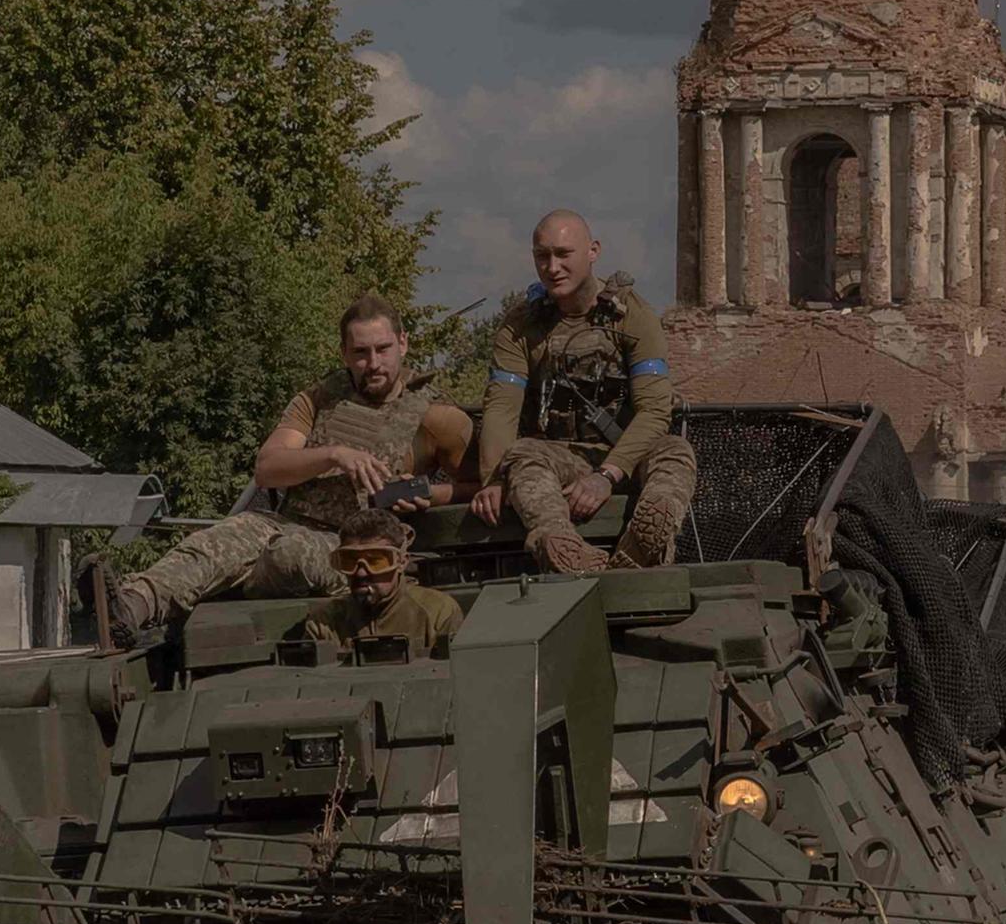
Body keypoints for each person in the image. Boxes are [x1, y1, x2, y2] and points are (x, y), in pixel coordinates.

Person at [106, 294, 473, 637]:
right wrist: (334, 454)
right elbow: (268, 468)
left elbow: (481, 487)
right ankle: (130, 607)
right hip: (288, 525)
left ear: (403, 343)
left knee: (288, 554)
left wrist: (427, 493)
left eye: (383, 349)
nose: (373, 363)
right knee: (217, 541)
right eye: (360, 352)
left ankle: (222, 584)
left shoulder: (437, 417)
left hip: (360, 553)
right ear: (343, 353)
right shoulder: (318, 400)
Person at [468, 209, 697, 575]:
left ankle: (639, 551)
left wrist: (607, 475)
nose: (552, 267)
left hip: (624, 453)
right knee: (523, 455)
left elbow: (654, 410)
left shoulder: (632, 316)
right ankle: (561, 546)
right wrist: (494, 480)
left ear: (593, 251)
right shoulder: (521, 326)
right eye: (542, 256)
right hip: (557, 455)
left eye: (563, 254)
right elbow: (501, 408)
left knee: (675, 452)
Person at [293, 507, 463, 663]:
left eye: (375, 561)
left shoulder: (437, 613)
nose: (360, 573)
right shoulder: (324, 623)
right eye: (349, 561)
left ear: (402, 562)